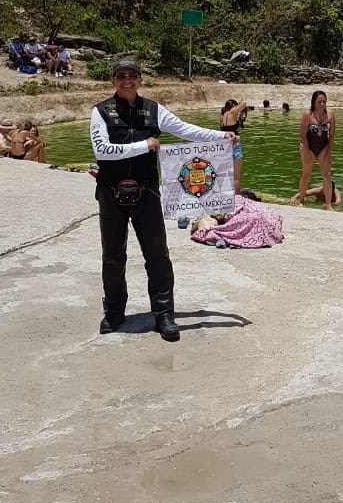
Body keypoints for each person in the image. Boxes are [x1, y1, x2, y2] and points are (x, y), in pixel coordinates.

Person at [90, 57, 236, 341]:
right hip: (111, 192)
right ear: (113, 81)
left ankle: (164, 314)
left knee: (157, 255)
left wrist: (222, 135)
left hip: (147, 192)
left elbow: (187, 130)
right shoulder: (100, 112)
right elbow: (102, 150)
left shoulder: (154, 110)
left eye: (132, 75)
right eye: (121, 76)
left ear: (141, 80)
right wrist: (143, 145)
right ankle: (114, 311)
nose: (127, 80)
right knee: (113, 256)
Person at [297, 91, 335, 209]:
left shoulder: (330, 115)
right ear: (314, 102)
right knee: (306, 174)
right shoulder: (307, 115)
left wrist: (329, 151)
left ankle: (328, 204)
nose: (322, 104)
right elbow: (302, 135)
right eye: (319, 102)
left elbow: (332, 134)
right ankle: (301, 201)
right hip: (308, 146)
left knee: (327, 175)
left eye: (324, 101)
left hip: (323, 147)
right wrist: (307, 151)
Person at [220, 98, 249, 193]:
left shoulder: (223, 116)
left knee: (227, 173)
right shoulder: (231, 112)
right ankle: (237, 198)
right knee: (236, 175)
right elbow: (244, 103)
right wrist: (241, 103)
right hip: (234, 145)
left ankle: (228, 193)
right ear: (233, 106)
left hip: (225, 146)